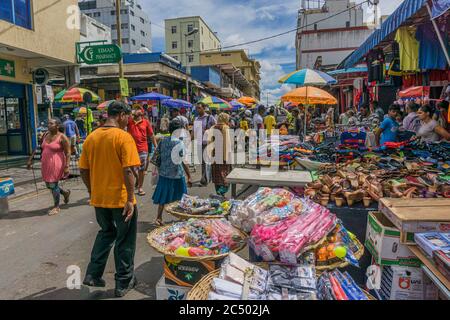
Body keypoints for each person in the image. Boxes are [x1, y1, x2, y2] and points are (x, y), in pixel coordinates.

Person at [79, 101, 141, 298]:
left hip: (100, 199)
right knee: (125, 240)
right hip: (122, 200)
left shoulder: (92, 137)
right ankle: (123, 282)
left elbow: (83, 169)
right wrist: (131, 199)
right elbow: (129, 170)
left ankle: (93, 274)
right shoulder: (123, 137)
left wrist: (92, 191)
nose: (128, 120)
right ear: (121, 115)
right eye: (128, 116)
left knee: (106, 233)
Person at [152, 119, 192, 226]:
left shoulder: (163, 141)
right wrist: (189, 176)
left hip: (164, 173)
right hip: (177, 174)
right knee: (182, 197)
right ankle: (182, 218)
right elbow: (184, 161)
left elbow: (156, 156)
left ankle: (159, 217)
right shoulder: (180, 143)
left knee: (163, 197)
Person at [27, 118, 71, 216]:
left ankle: (56, 206)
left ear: (57, 126)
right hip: (45, 163)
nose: (48, 125)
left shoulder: (62, 137)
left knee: (52, 184)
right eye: (48, 123)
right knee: (48, 184)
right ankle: (64, 192)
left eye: (51, 123)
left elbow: (68, 152)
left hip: (57, 163)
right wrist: (30, 159)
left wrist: (67, 166)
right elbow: (39, 147)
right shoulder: (46, 134)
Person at [127, 107, 157, 196]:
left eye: (138, 109)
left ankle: (140, 187)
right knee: (130, 168)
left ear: (142, 113)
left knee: (141, 169)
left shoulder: (146, 122)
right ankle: (136, 178)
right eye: (135, 109)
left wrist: (156, 146)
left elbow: (151, 135)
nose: (136, 110)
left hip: (143, 149)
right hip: (130, 148)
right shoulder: (129, 121)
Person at [208, 113, 233, 196]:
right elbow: (227, 143)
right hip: (223, 157)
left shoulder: (212, 127)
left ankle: (219, 195)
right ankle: (221, 192)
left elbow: (209, 143)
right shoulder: (226, 128)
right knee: (226, 177)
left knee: (217, 177)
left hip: (214, 156)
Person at [194, 103, 216, 186]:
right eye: (197, 108)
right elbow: (194, 131)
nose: (197, 110)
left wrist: (209, 130)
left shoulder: (210, 118)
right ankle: (207, 177)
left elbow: (216, 127)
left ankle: (204, 180)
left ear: (204, 108)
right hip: (199, 143)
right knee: (202, 162)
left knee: (205, 161)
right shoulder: (196, 119)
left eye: (199, 108)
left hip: (208, 143)